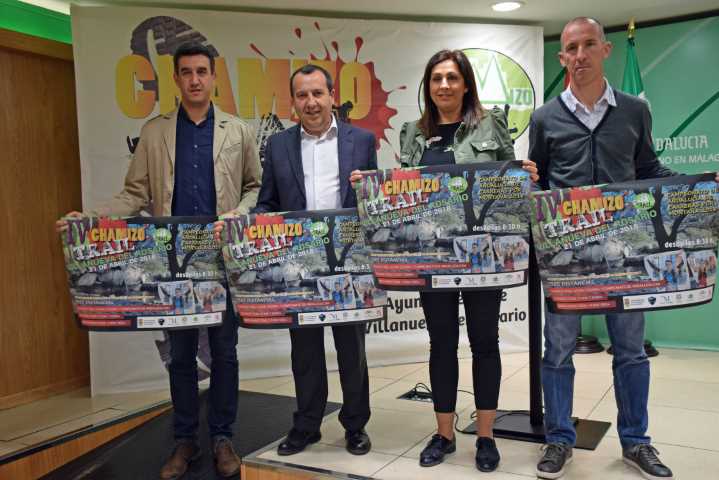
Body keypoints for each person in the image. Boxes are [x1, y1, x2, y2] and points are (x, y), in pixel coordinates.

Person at [57, 42, 262, 479]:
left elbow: (254, 187)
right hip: (172, 263)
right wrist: (91, 217)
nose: (195, 79)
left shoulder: (239, 130)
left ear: (213, 77)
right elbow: (134, 194)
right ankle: (185, 439)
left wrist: (239, 214)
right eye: (186, 72)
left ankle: (223, 437)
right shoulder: (154, 132)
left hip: (219, 258)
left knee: (224, 352)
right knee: (181, 355)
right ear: (176, 79)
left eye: (202, 71)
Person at [528, 17, 717, 480]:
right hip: (567, 260)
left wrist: (702, 186)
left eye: (589, 45)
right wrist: (527, 186)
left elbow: (649, 167)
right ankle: (559, 439)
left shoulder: (634, 110)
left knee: (630, 350)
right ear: (562, 57)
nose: (580, 55)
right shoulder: (545, 117)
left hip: (626, 257)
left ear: (605, 50)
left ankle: (636, 442)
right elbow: (540, 180)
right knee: (557, 351)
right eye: (572, 48)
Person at [394, 49, 538, 473]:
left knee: (484, 342)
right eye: (436, 78)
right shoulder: (412, 133)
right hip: (432, 257)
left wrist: (526, 177)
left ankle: (486, 437)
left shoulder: (491, 124)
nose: (444, 85)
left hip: (482, 257)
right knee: (441, 344)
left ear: (466, 84)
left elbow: (510, 185)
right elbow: (405, 192)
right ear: (428, 85)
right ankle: (443, 435)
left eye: (452, 77)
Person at [254, 64, 376, 456]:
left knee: (351, 350)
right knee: (304, 351)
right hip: (299, 266)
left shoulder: (362, 141)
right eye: (302, 95)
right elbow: (268, 202)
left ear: (331, 96)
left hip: (349, 264)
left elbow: (374, 201)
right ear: (293, 102)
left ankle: (355, 426)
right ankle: (306, 425)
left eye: (318, 93)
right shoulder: (278, 146)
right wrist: (254, 225)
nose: (311, 102)